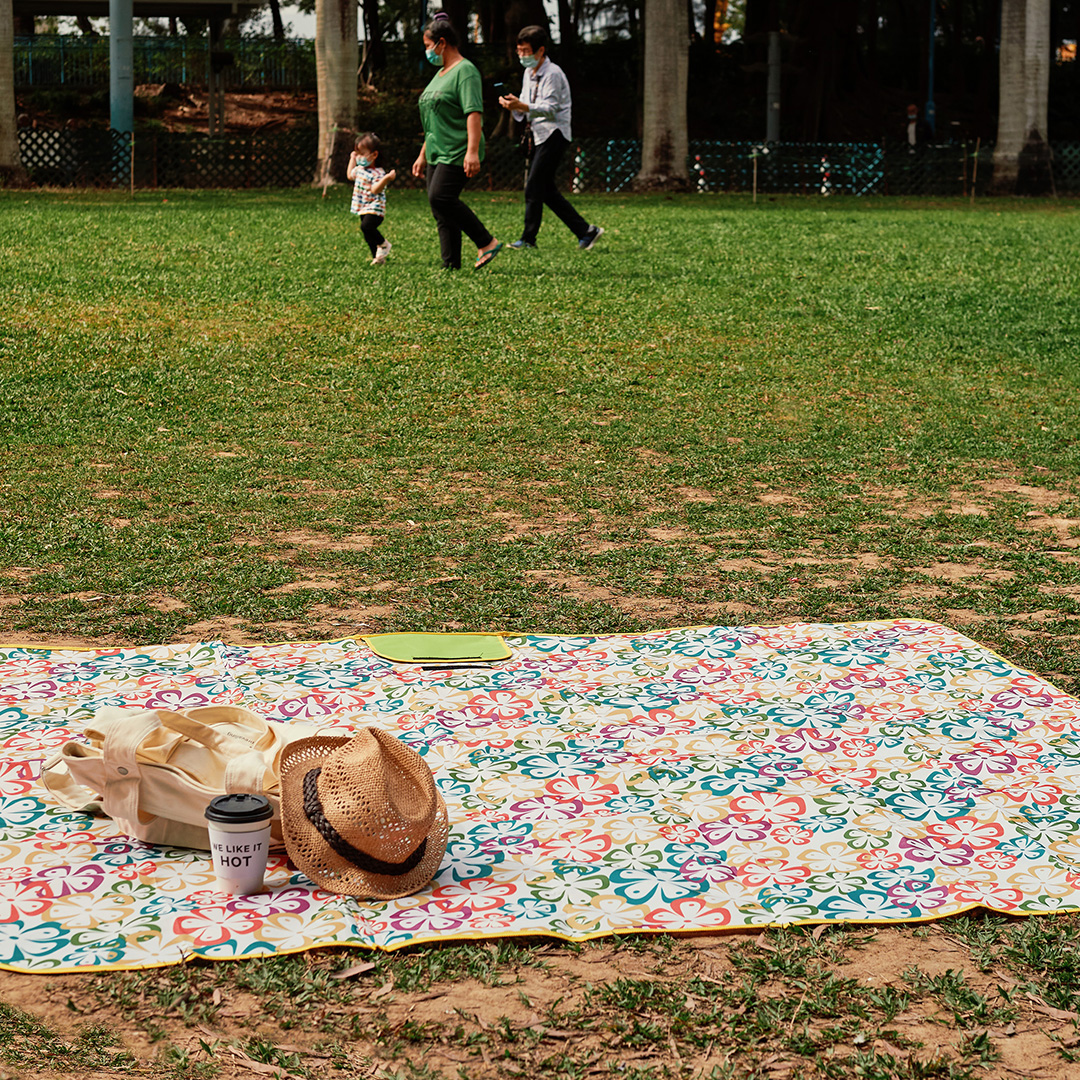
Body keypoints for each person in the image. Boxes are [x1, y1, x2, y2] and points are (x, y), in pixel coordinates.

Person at [498, 26, 603, 252]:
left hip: (554, 133)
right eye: (519, 51)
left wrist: (521, 105)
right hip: (538, 134)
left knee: (534, 185)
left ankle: (528, 239)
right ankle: (586, 231)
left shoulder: (553, 73)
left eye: (526, 51)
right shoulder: (529, 73)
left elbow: (550, 109)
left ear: (540, 50)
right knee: (545, 189)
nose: (521, 56)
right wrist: (514, 105)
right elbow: (527, 105)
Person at [412, 14, 503, 270]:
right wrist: (422, 154)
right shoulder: (441, 73)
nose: (427, 51)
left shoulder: (466, 71)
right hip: (436, 150)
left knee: (441, 196)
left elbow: (473, 112)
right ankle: (450, 264)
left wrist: (472, 152)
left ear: (442, 43)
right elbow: (433, 121)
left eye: (429, 45)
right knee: (439, 207)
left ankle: (486, 241)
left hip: (458, 148)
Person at [347, 132, 396, 266]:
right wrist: (352, 158)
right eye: (357, 154)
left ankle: (384, 244)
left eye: (362, 154)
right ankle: (378, 257)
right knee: (367, 234)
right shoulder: (360, 169)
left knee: (367, 226)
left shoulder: (378, 173)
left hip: (375, 207)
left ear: (374, 155)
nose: (359, 157)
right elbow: (350, 176)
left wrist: (386, 179)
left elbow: (375, 189)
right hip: (362, 206)